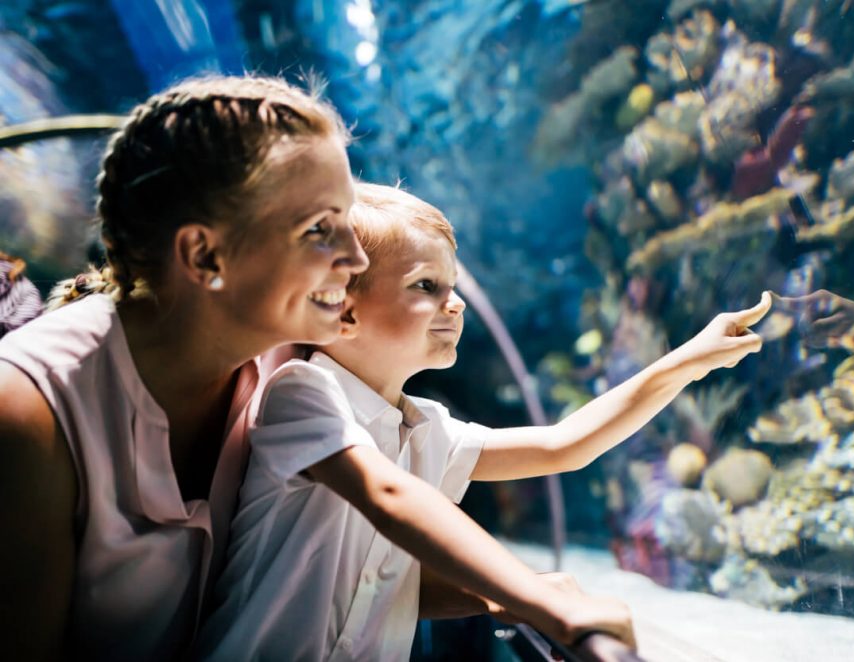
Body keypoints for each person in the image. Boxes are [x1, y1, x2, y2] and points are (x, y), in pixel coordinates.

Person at [198, 183, 771, 661]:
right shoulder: (302, 393)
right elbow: (388, 495)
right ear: (342, 310)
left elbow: (560, 446)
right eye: (427, 286)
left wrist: (685, 362)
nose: (457, 304)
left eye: (454, 288)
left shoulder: (427, 428)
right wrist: (540, 599)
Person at [0, 74, 369, 660]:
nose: (357, 257)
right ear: (204, 255)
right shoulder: (29, 411)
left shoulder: (294, 357)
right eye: (319, 229)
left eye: (350, 222)